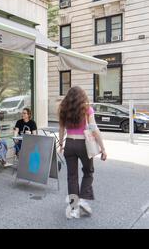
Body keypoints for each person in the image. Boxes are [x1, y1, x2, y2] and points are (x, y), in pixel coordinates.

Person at [58, 86, 107, 219]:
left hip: (69, 144)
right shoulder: (86, 109)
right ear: (82, 96)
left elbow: (61, 128)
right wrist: (103, 148)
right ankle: (83, 199)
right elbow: (94, 129)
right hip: (84, 145)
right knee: (88, 171)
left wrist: (61, 144)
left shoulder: (64, 109)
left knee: (71, 176)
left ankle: (74, 208)